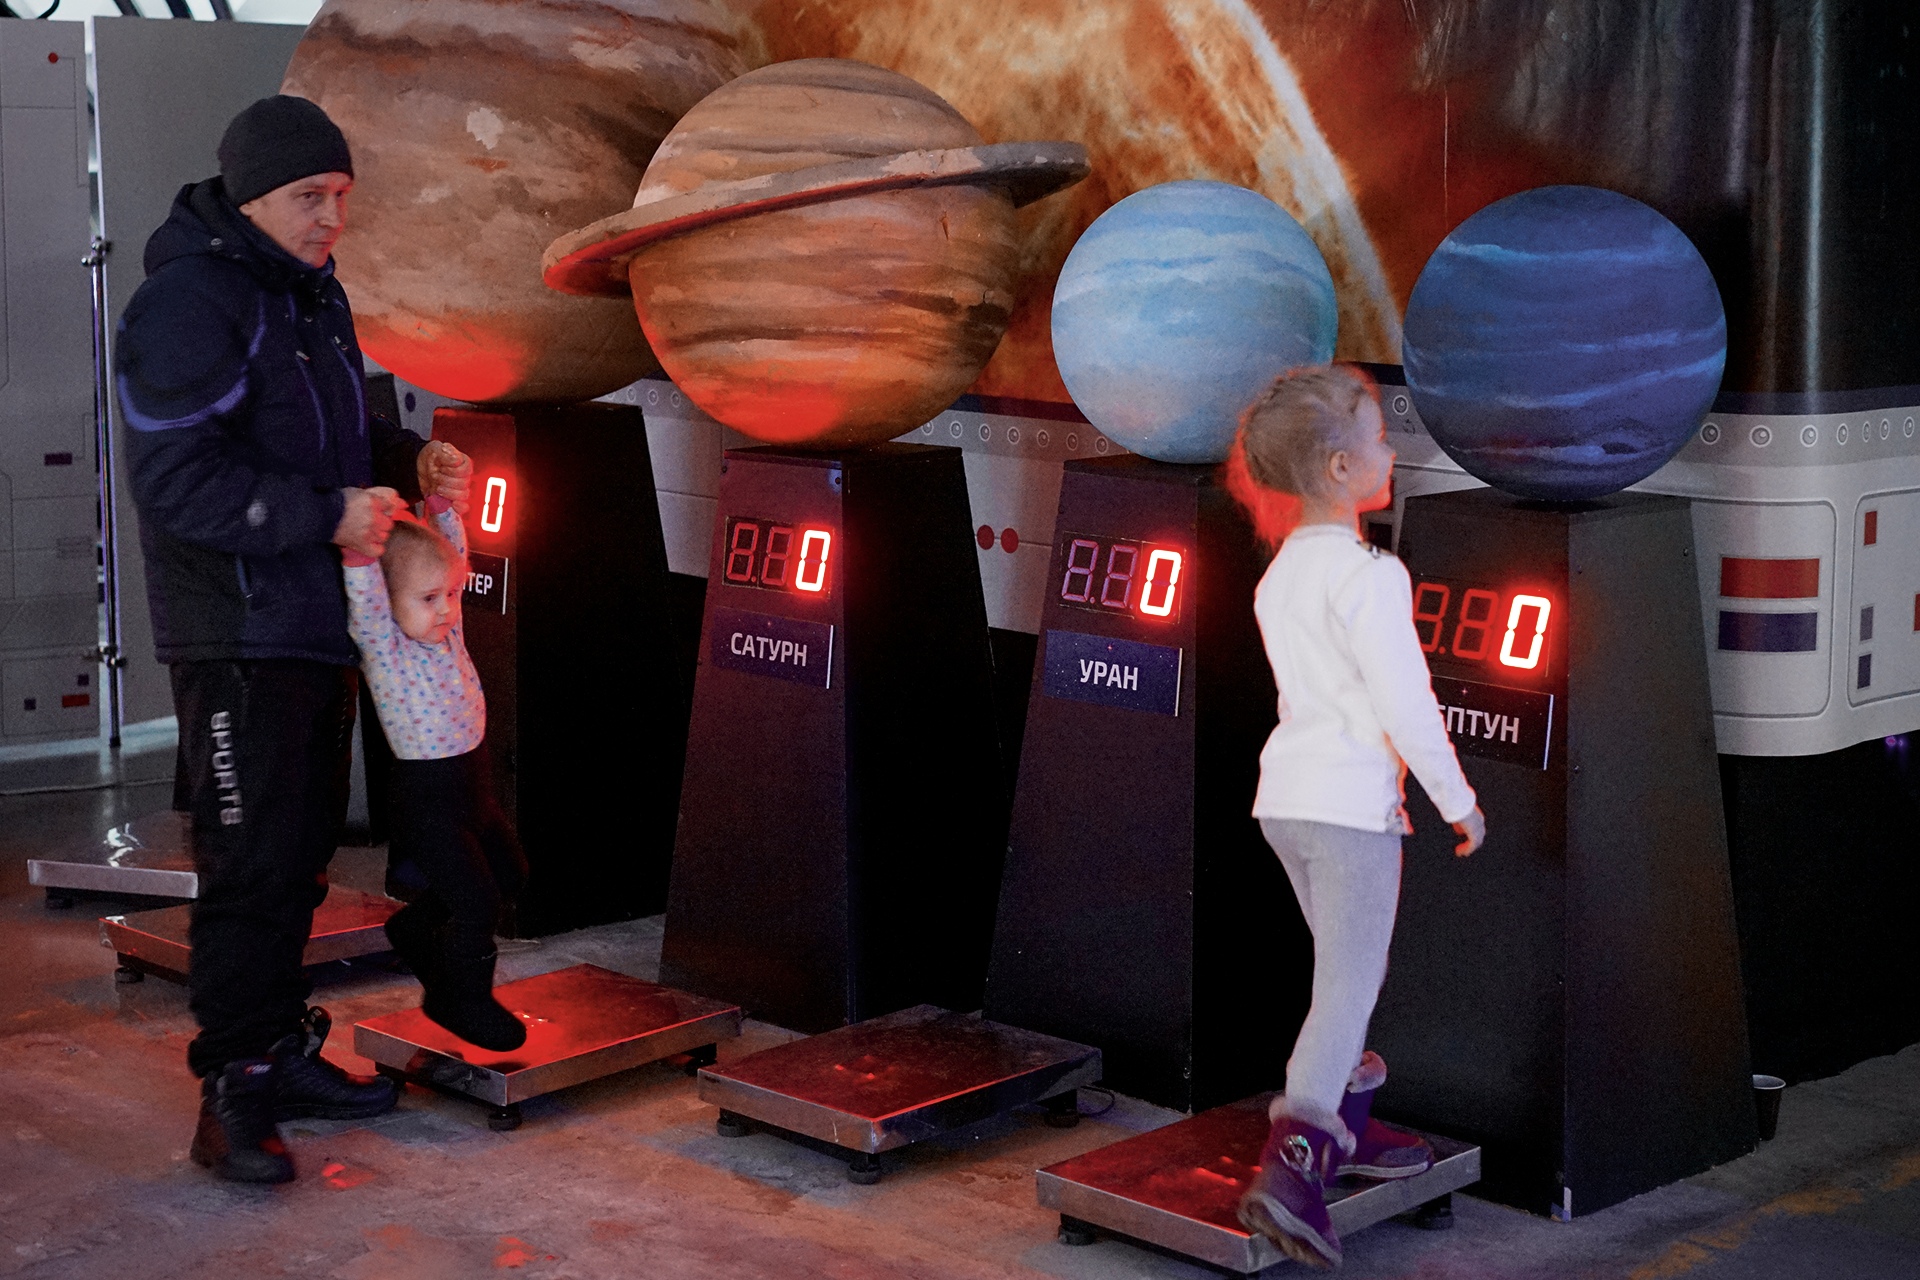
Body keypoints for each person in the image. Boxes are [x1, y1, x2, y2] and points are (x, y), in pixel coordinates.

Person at [117, 95, 472, 1184]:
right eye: (310, 197)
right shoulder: (187, 303)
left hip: (316, 623)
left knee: (302, 855)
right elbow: (177, 480)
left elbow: (336, 432)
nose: (333, 218)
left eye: (342, 195)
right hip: (235, 631)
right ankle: (232, 1088)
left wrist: (407, 459)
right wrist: (325, 516)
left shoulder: (312, 293)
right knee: (250, 865)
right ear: (249, 197)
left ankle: (280, 1050)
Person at [1226, 365, 1486, 1269]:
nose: (1392, 452)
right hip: (1347, 814)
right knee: (1346, 986)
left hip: (1285, 805)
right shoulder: (1372, 576)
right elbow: (1404, 703)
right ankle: (1294, 1167)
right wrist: (1457, 800)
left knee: (1347, 976)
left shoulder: (1280, 576)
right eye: (1379, 439)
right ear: (1339, 468)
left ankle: (1350, 1125)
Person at [343, 497, 528, 1052]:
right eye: (428, 599)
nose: (446, 608)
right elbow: (366, 598)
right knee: (476, 902)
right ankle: (459, 999)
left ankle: (414, 930)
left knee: (510, 874)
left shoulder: (446, 631)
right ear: (387, 600)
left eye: (450, 594)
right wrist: (360, 554)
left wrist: (444, 508)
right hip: (428, 803)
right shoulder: (386, 648)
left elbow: (452, 554)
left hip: (473, 790)